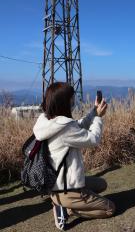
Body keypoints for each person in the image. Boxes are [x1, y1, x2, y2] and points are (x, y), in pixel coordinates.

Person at [33, 82, 115, 230]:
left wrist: (94, 112)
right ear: (64, 102)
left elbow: (78, 125)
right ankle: (68, 209)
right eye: (71, 98)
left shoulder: (50, 121)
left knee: (102, 184)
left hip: (60, 183)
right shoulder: (64, 129)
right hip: (66, 189)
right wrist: (99, 118)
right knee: (109, 208)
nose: (74, 101)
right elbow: (93, 139)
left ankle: (66, 202)